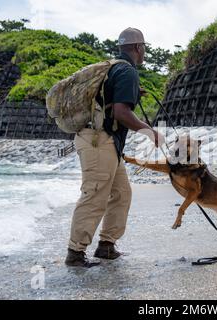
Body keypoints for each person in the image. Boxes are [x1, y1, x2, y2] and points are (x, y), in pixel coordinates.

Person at [65, 28, 164, 268]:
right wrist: (150, 132)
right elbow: (121, 112)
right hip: (99, 141)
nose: (144, 52)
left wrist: (132, 94)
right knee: (95, 194)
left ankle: (106, 246)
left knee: (121, 192)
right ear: (138, 47)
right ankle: (75, 253)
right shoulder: (127, 70)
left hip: (102, 140)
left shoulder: (114, 67)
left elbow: (112, 103)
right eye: (144, 48)